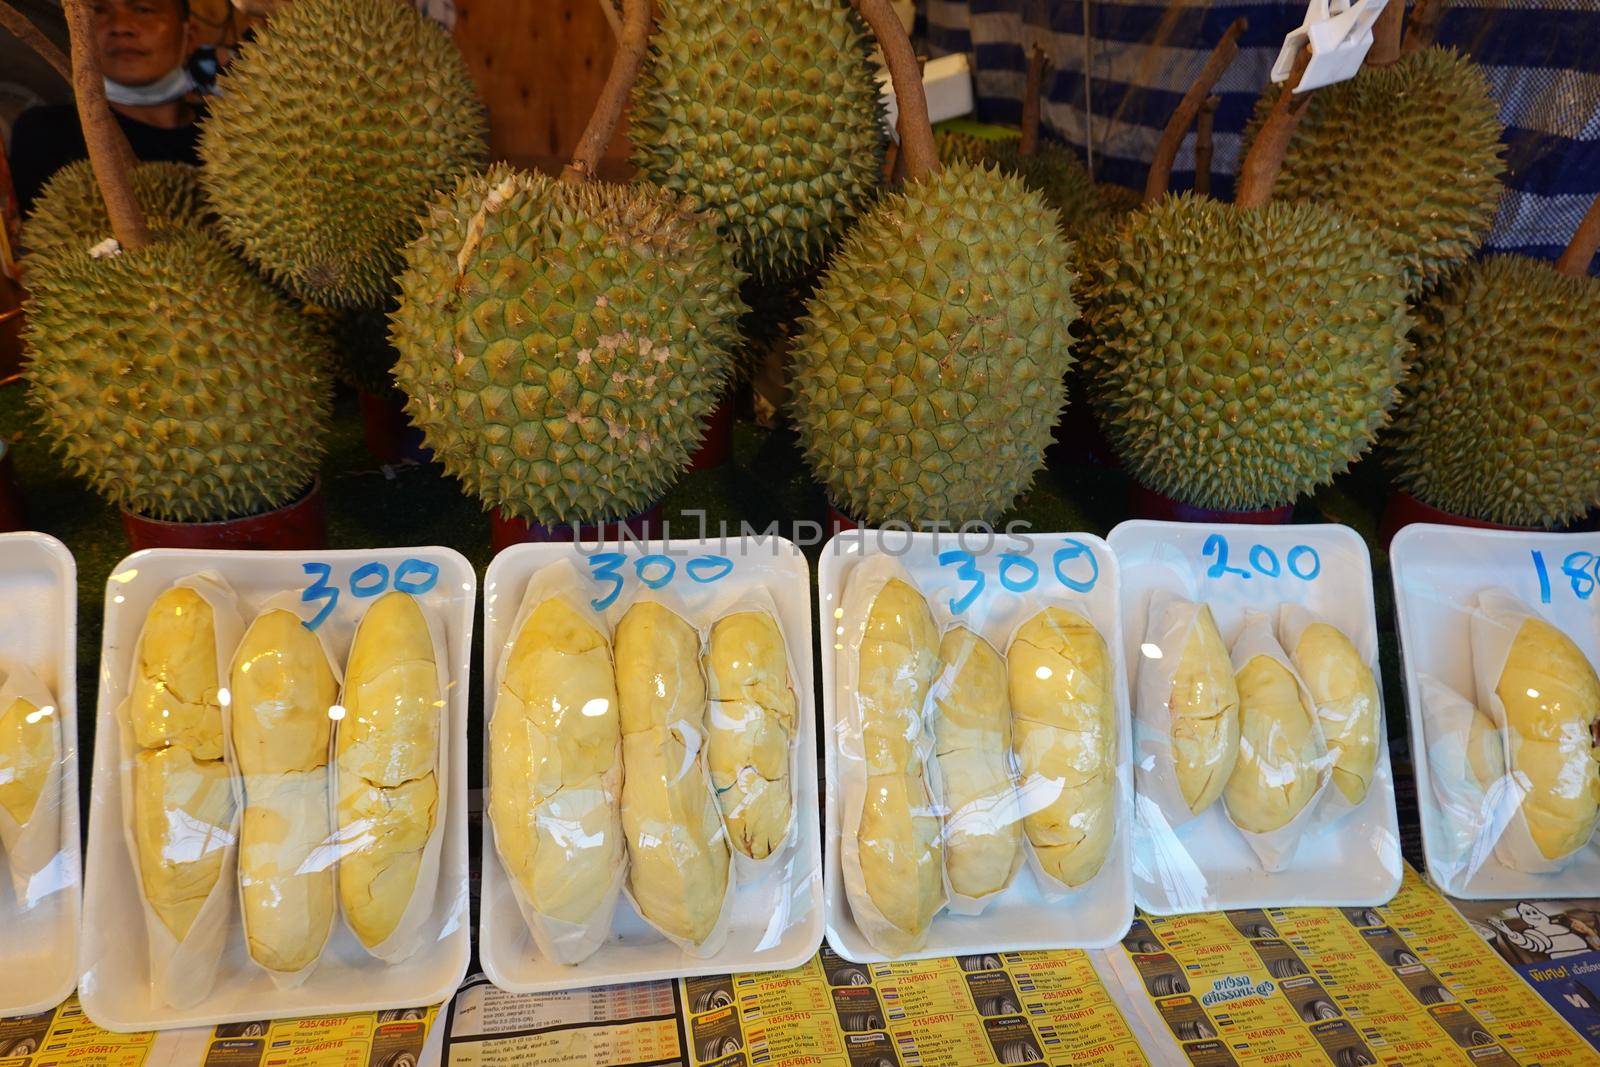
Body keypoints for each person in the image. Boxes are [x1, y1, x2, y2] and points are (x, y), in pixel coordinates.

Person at [7, 0, 201, 216]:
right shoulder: (46, 132)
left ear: (190, 35)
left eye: (143, 8)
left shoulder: (225, 127)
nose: (120, 27)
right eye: (98, 10)